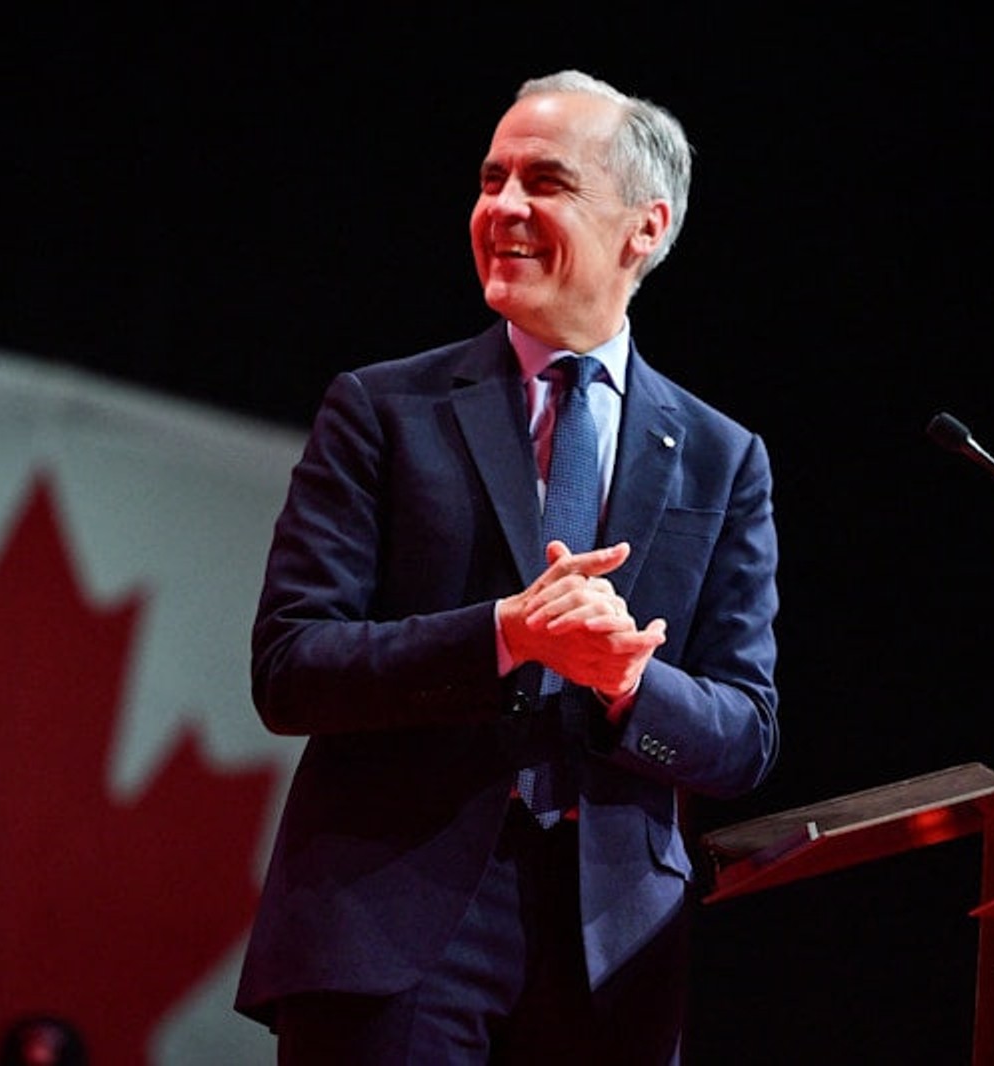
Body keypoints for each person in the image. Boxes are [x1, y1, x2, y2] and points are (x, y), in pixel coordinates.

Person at [234, 69, 780, 1064]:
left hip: (612, 953)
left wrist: (630, 682)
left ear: (645, 228)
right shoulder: (382, 410)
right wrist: (504, 636)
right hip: (391, 925)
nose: (504, 208)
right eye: (492, 180)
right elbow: (291, 666)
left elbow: (744, 733)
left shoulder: (721, 456)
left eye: (546, 181)